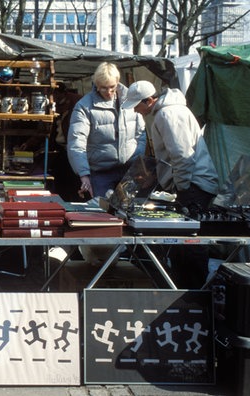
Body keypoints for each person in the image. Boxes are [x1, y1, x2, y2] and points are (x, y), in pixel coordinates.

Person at [123, 80, 220, 288]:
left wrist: (181, 189)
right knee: (183, 245)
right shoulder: (167, 112)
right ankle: (184, 291)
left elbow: (182, 156)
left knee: (191, 245)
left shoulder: (168, 114)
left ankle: (194, 296)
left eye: (137, 106)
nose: (136, 111)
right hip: (191, 184)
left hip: (194, 185)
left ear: (149, 101)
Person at [67, 62, 147, 199]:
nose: (109, 92)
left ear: (117, 82)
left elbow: (141, 134)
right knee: (103, 215)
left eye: (112, 87)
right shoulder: (84, 107)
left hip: (129, 170)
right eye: (103, 88)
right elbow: (76, 142)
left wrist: (137, 161)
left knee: (130, 212)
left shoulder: (132, 100)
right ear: (96, 85)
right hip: (100, 172)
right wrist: (84, 174)